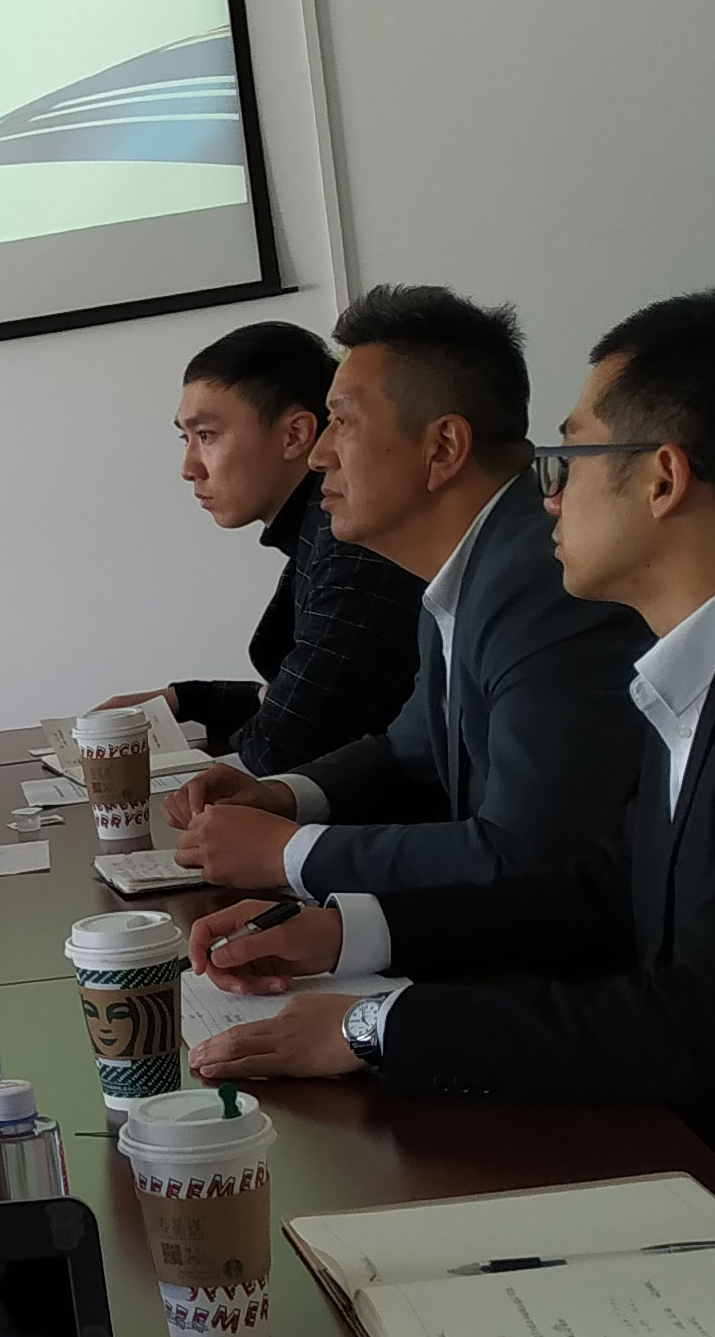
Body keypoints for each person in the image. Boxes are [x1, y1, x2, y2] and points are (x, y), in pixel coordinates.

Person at [190, 292, 715, 1312]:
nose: (547, 495)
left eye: (568, 460)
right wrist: (347, 932)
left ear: (664, 478)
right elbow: (609, 887)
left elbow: (711, 1023)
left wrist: (376, 1028)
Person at [167, 282, 645, 897]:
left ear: (443, 447)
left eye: (341, 422)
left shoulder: (546, 587)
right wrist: (282, 795)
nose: (319, 455)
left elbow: (529, 854)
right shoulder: (468, 565)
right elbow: (407, 752)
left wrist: (289, 855)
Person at [154, 319, 424, 776]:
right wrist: (189, 699)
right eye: (186, 438)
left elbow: (282, 747)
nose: (189, 467)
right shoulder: (317, 532)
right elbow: (300, 698)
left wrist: (266, 705)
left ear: (295, 435)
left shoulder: (352, 542)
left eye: (207, 436)